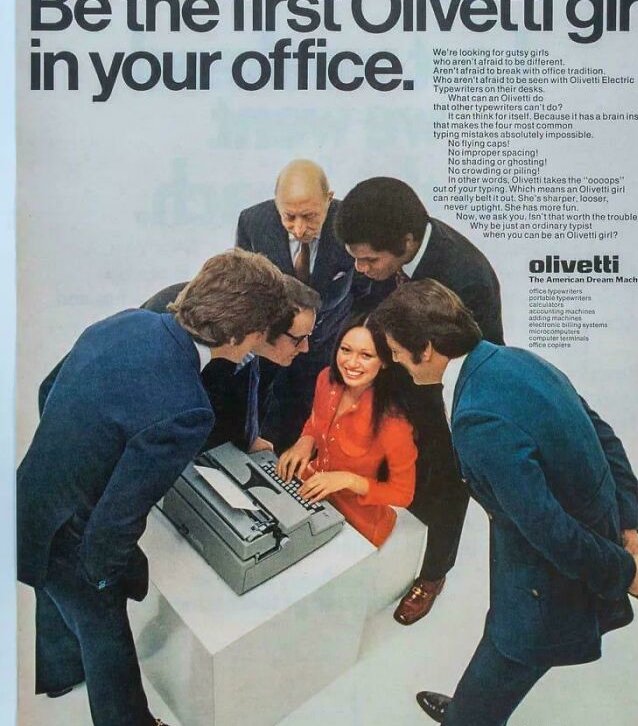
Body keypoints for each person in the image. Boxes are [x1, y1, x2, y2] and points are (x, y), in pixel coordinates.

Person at [356, 280, 638, 726]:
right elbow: (604, 435)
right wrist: (628, 529)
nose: (399, 368)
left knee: (501, 660)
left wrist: (623, 570)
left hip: (551, 578)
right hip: (554, 555)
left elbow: (548, 529)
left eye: (398, 357)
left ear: (427, 350)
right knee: (497, 662)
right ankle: (480, 715)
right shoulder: (518, 360)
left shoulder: (476, 418)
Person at [17, 250, 293, 726]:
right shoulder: (186, 407)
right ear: (235, 335)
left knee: (53, 592)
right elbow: (120, 516)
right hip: (79, 532)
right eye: (259, 336)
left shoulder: (126, 322)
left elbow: (46, 389)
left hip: (33, 496)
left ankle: (58, 674)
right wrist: (104, 577)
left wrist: (77, 458)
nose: (258, 345)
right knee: (104, 626)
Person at [335, 176, 504, 625]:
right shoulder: (379, 251)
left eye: (369, 260)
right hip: (394, 380)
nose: (360, 269)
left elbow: (484, 363)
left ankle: (432, 573)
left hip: (441, 399)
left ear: (407, 242)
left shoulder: (468, 278)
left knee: (445, 485)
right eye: (356, 258)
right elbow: (364, 303)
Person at [236, 159, 368, 450]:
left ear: (329, 200)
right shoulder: (251, 222)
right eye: (289, 217)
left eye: (309, 216)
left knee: (301, 427)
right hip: (268, 347)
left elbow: (366, 290)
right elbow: (244, 287)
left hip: (320, 350)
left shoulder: (351, 225)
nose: (298, 229)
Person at [276, 316, 417, 548]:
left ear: (383, 361)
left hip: (357, 520)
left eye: (366, 355)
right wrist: (305, 441)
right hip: (310, 492)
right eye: (346, 350)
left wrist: (348, 480)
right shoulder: (326, 379)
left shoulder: (394, 421)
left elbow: (403, 493)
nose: (351, 363)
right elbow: (315, 422)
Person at [142, 274, 321, 454]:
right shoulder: (205, 335)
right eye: (298, 339)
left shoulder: (270, 352)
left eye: (308, 336)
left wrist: (246, 438)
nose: (305, 348)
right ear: (266, 329)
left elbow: (247, 401)